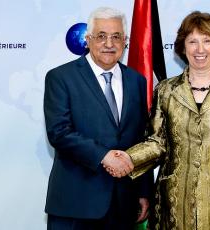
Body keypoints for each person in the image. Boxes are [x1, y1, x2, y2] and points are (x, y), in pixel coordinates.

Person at [105, 11, 210, 230]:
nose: (200, 49)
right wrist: (128, 158)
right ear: (183, 47)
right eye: (192, 41)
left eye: (207, 41)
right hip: (174, 202)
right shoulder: (166, 90)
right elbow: (157, 142)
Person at [43, 7, 153, 230]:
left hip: (123, 204)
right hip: (75, 204)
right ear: (88, 39)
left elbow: (142, 137)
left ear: (126, 41)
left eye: (116, 36)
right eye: (101, 36)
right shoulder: (61, 77)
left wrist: (143, 191)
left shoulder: (137, 81)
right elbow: (59, 132)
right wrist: (103, 156)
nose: (109, 43)